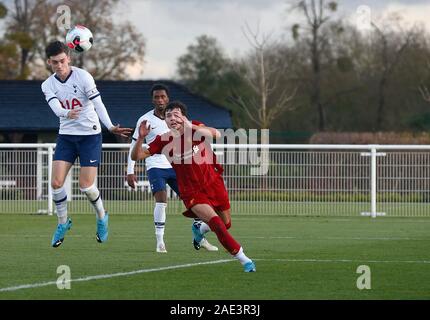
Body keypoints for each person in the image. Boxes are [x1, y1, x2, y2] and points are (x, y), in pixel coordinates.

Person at [131, 100, 256, 272]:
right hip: (191, 192)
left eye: (176, 115)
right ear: (165, 121)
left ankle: (200, 230)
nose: (172, 118)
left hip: (213, 183)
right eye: (168, 116)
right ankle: (244, 259)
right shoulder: (163, 140)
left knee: (226, 223)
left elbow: (215, 134)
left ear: (184, 117)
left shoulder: (195, 128)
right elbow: (136, 155)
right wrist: (141, 137)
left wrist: (192, 126)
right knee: (218, 225)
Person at [41, 41, 132, 248]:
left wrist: (109, 126)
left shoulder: (83, 77)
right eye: (55, 62)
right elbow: (56, 107)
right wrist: (66, 113)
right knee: (55, 183)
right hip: (66, 136)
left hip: (90, 136)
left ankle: (102, 216)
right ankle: (63, 222)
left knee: (86, 186)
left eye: (63, 61)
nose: (59, 65)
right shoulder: (47, 85)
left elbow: (98, 103)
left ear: (69, 59)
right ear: (49, 62)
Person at [127, 83, 218, 253]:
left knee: (196, 203)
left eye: (163, 97)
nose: (160, 100)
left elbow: (195, 136)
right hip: (155, 166)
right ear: (152, 99)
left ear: (168, 98)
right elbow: (135, 145)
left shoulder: (178, 118)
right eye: (156, 97)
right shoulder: (145, 120)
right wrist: (130, 170)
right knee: (161, 200)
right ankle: (160, 241)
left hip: (178, 167)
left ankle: (200, 236)